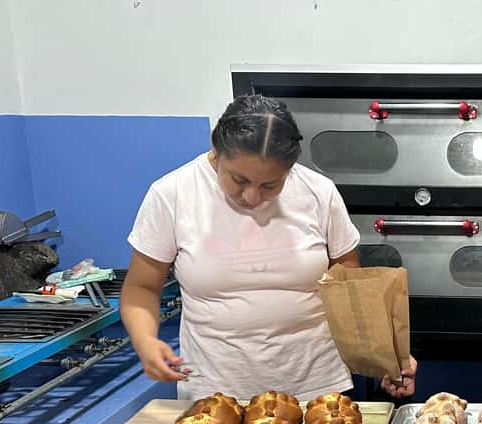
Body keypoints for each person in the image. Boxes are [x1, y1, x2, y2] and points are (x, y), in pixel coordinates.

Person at [122, 94, 416, 401]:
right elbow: (141, 287)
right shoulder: (172, 194)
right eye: (239, 180)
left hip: (316, 386)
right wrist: (145, 341)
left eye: (270, 185)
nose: (251, 197)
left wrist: (387, 354)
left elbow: (349, 284)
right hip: (215, 393)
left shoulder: (318, 192)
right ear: (216, 150)